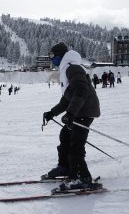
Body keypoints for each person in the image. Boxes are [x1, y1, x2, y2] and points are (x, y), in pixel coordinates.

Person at [42, 42, 101, 191]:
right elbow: (67, 98)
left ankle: (82, 178)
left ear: (60, 55)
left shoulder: (72, 68)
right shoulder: (67, 68)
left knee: (76, 144)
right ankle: (65, 167)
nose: (51, 59)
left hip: (84, 111)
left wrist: (70, 114)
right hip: (79, 110)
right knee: (66, 135)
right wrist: (52, 113)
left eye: (52, 56)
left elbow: (81, 90)